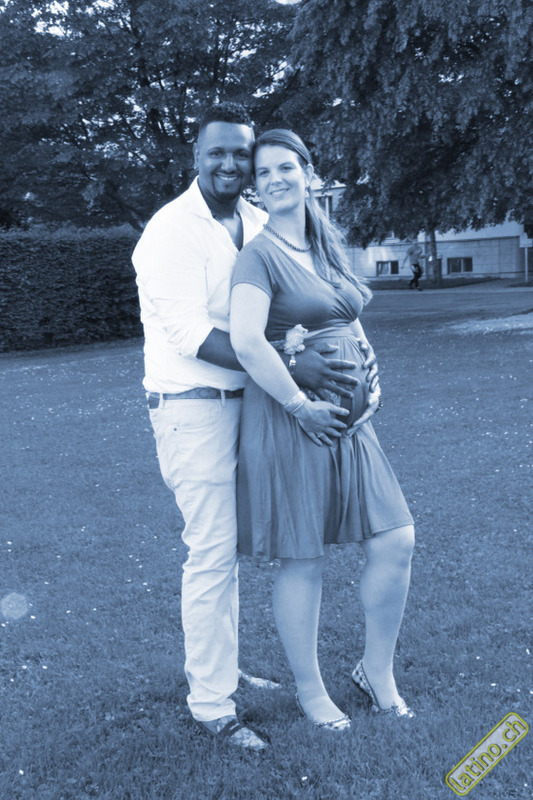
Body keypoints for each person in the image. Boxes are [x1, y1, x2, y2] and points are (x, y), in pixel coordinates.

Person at [132, 104, 377, 751]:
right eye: (216, 152)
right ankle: (213, 704)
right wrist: (290, 364)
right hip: (194, 407)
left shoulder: (257, 220)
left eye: (240, 153)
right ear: (195, 156)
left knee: (236, 550)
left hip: (255, 404)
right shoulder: (168, 231)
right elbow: (191, 333)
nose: (229, 164)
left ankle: (225, 668)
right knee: (212, 553)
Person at [230, 129, 416, 730]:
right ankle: (311, 693)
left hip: (353, 424)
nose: (275, 180)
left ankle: (376, 672)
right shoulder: (258, 256)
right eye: (263, 173)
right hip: (294, 423)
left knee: (396, 539)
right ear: (255, 189)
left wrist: (372, 370)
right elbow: (246, 341)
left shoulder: (325, 245)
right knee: (302, 557)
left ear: (308, 173)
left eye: (286, 167)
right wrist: (298, 405)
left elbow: (347, 316)